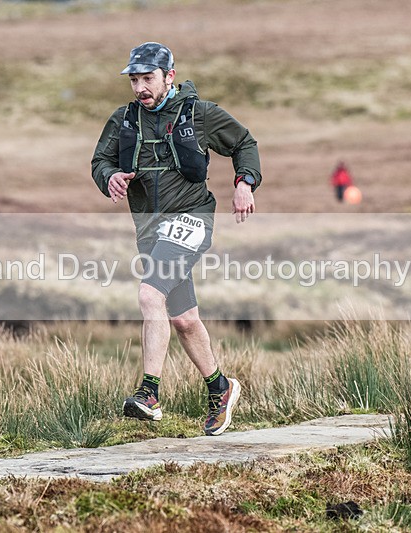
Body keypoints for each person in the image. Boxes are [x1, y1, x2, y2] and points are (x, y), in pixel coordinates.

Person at [91, 42, 262, 436]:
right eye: (133, 79)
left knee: (150, 295)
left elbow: (243, 144)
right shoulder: (124, 119)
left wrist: (245, 183)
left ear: (169, 76)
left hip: (191, 218)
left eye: (147, 78)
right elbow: (101, 160)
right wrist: (110, 177)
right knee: (183, 319)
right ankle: (221, 388)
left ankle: (149, 393)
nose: (139, 88)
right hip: (149, 229)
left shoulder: (199, 114)